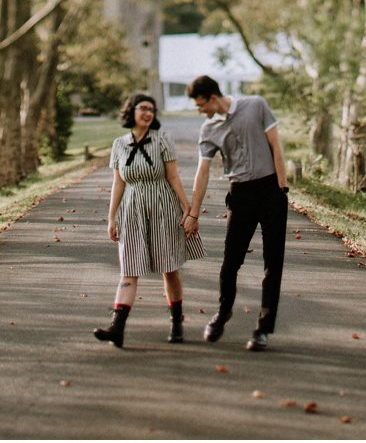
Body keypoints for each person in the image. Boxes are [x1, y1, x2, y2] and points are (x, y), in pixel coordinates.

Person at [185, 75, 288, 351]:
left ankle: (263, 328)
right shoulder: (208, 129)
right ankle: (222, 312)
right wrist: (194, 213)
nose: (200, 111)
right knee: (231, 261)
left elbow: (276, 145)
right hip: (241, 194)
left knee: (273, 262)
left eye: (201, 105)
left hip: (271, 190)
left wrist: (282, 187)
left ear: (213, 98)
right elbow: (202, 172)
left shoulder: (255, 105)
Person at [93, 92, 202, 347]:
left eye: (152, 109)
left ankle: (176, 324)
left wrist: (188, 210)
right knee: (129, 269)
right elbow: (118, 183)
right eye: (143, 108)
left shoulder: (163, 139)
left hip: (163, 207)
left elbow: (173, 177)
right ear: (131, 111)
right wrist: (111, 218)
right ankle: (116, 328)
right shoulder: (119, 144)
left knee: (169, 268)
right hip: (132, 210)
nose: (148, 113)